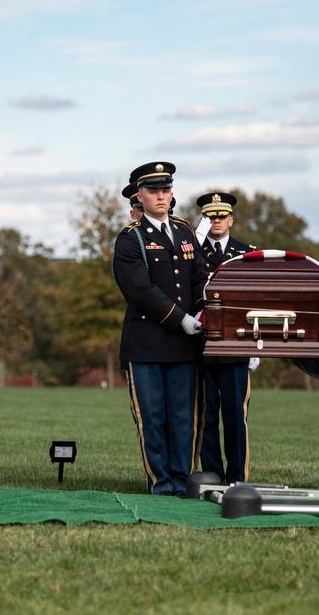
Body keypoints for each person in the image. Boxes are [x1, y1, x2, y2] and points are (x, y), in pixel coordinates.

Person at [112, 161, 209, 495]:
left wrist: (202, 311)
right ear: (140, 195)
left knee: (185, 417)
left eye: (165, 190)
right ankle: (160, 483)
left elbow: (198, 278)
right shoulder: (130, 238)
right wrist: (182, 319)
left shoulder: (184, 231)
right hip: (148, 343)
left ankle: (184, 481)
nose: (161, 196)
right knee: (152, 418)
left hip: (185, 344)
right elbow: (139, 290)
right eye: (153, 191)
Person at [195, 192, 258, 483]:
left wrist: (256, 344)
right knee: (205, 416)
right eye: (210, 216)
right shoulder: (191, 251)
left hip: (236, 344)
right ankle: (210, 475)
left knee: (235, 417)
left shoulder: (247, 253)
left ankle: (236, 478)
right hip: (202, 344)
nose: (216, 221)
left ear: (231, 220)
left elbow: (256, 300)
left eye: (221, 216)